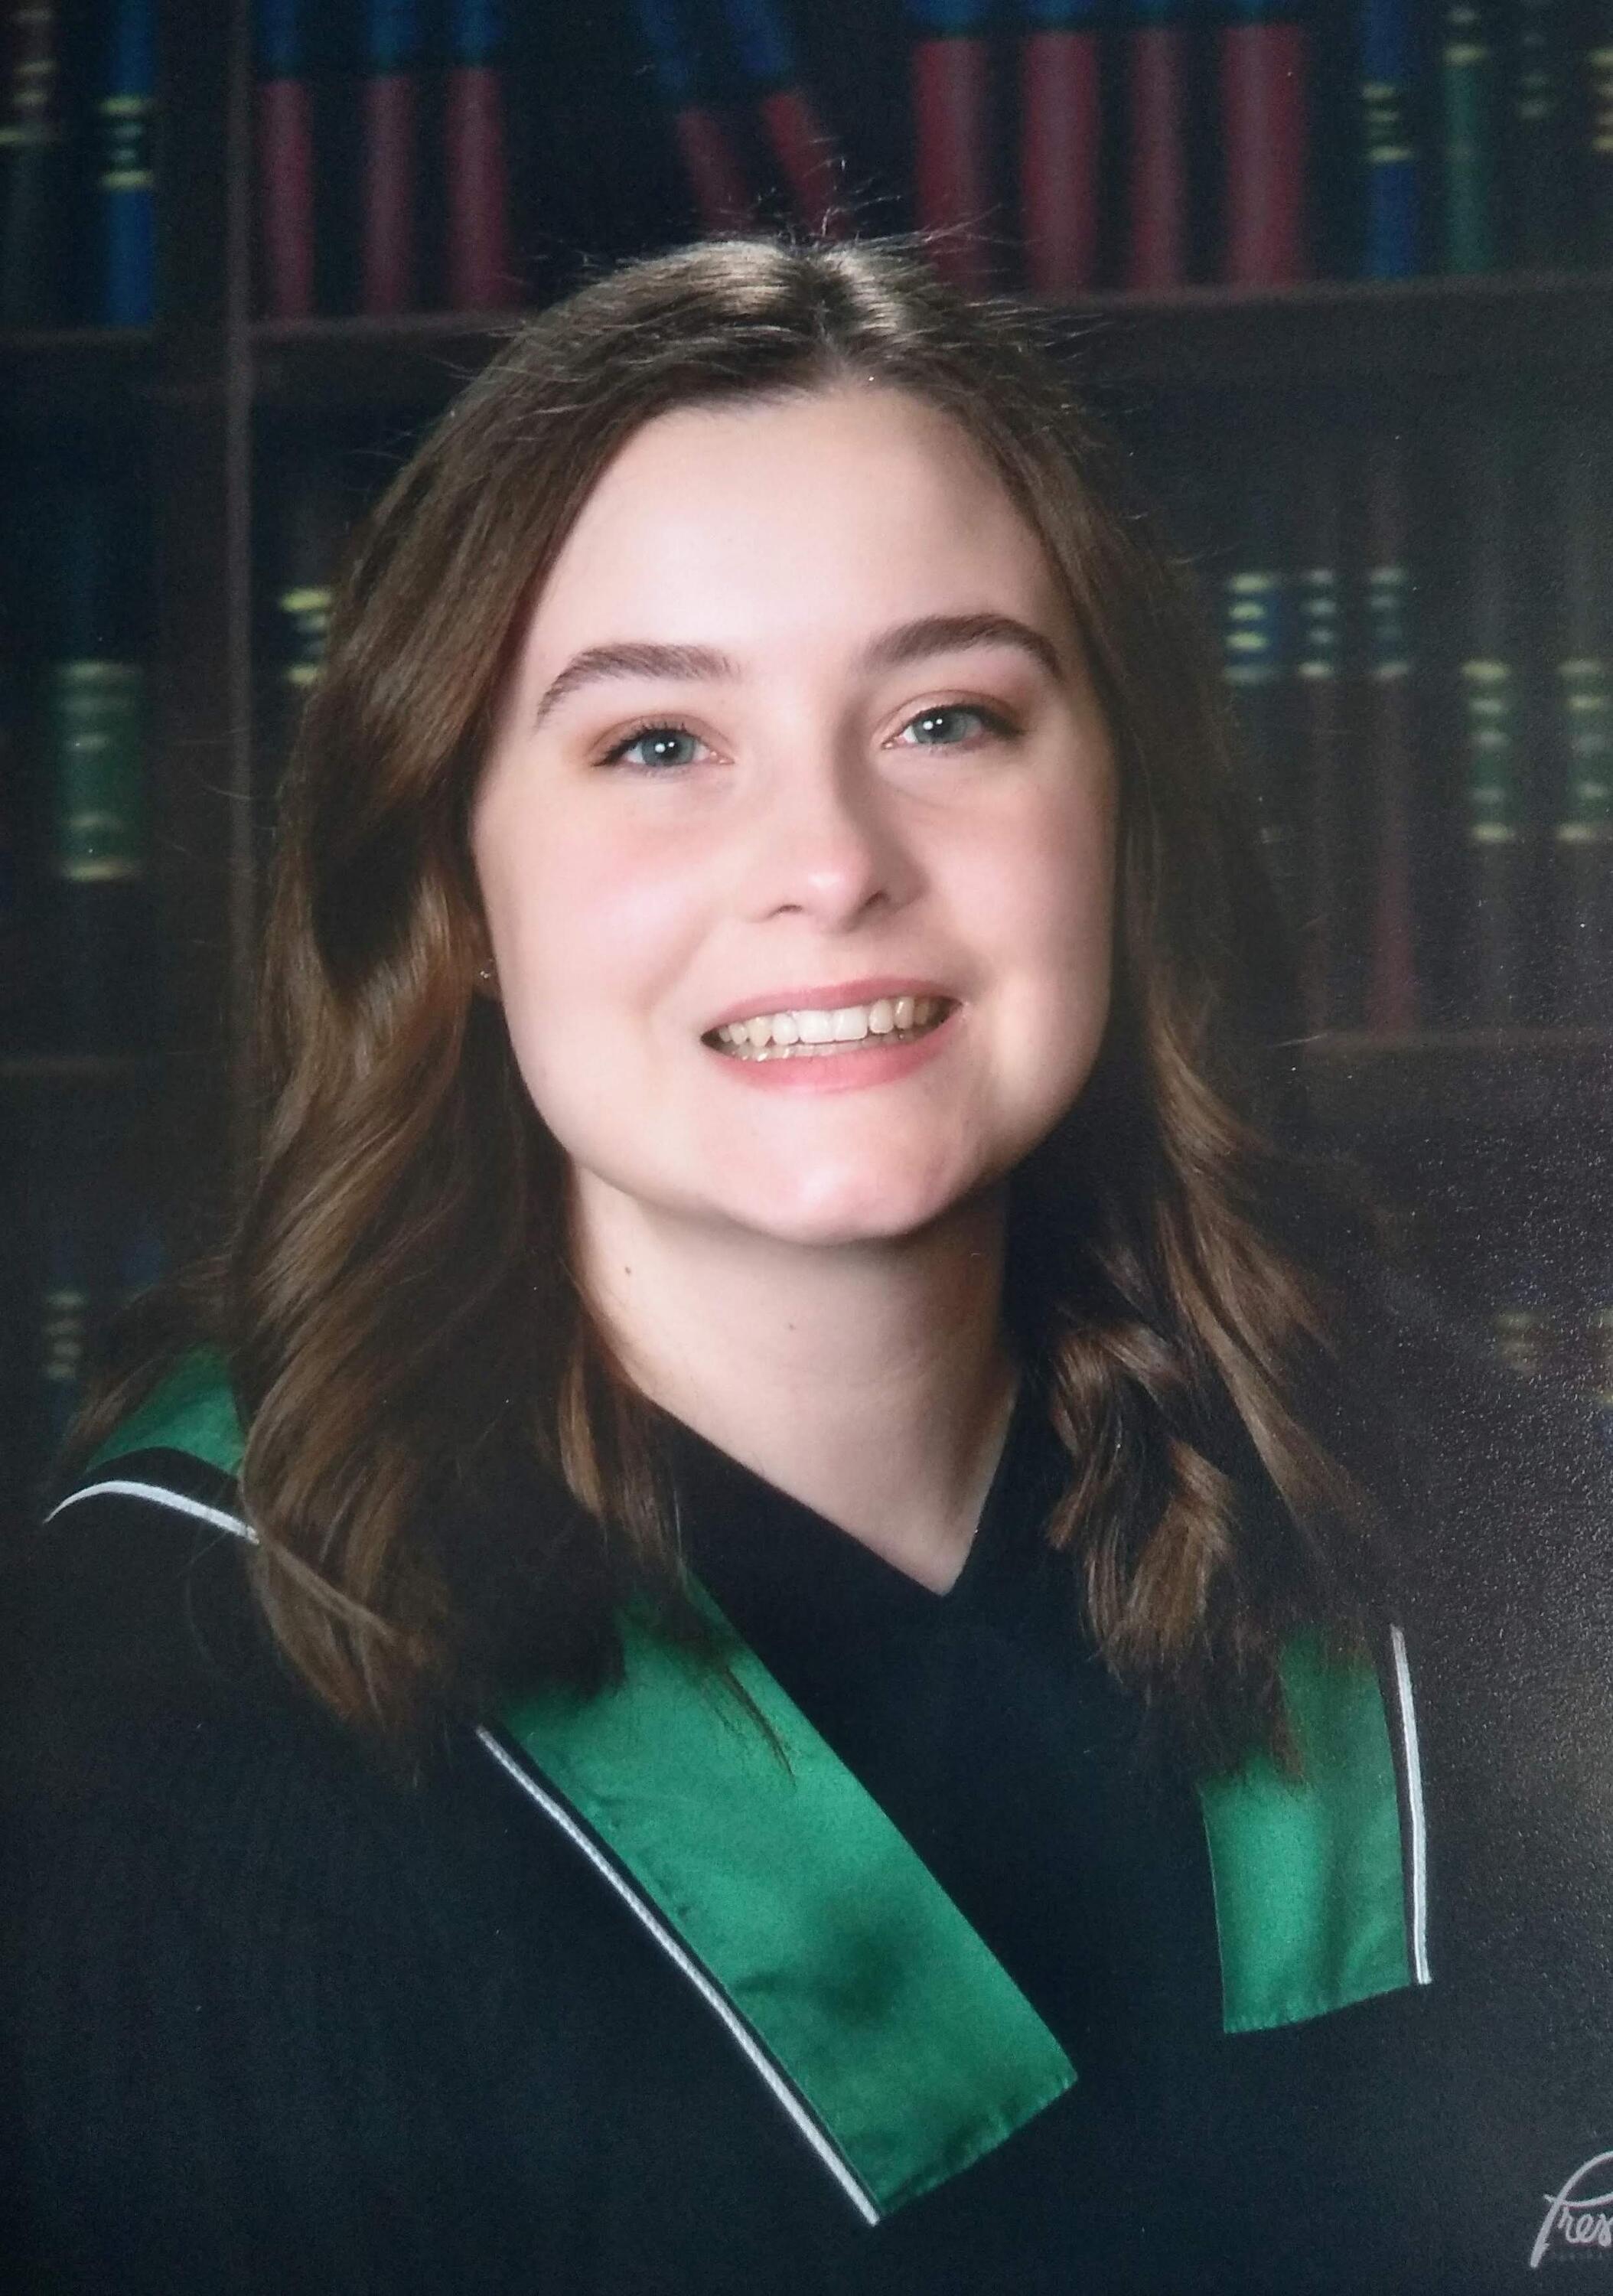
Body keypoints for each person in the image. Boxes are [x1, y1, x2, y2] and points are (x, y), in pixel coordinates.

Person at [4, 235, 1611, 2296]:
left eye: (948, 714)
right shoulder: (170, 1747)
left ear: (1119, 808)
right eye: (656, 745)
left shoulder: (1480, 1516)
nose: (832, 861)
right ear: (453, 881)